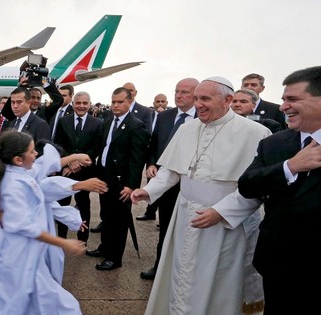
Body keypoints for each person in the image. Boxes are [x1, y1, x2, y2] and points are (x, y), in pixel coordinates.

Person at [130, 77, 271, 314]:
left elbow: (256, 188)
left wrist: (221, 212)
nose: (198, 104)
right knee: (181, 274)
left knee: (218, 282)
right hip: (185, 215)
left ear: (227, 100)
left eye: (205, 98)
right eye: (196, 98)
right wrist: (148, 190)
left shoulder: (255, 132)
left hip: (226, 223)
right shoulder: (187, 128)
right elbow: (172, 170)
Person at [238, 66, 321, 314]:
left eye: (293, 99)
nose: (284, 106)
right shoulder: (273, 143)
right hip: (277, 263)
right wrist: (289, 167)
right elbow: (247, 185)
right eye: (284, 99)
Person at [0, 130, 86, 314]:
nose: (36, 155)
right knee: (59, 306)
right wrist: (63, 242)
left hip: (28, 254)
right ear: (18, 159)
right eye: (33, 151)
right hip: (17, 256)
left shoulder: (20, 172)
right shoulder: (12, 186)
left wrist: (76, 157)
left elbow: (45, 165)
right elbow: (24, 226)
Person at [138, 78, 199, 281]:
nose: (179, 96)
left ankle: (186, 270)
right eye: (177, 91)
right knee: (165, 226)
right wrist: (152, 163)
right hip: (166, 181)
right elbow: (154, 143)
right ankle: (160, 265)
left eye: (185, 92)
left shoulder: (204, 118)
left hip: (193, 184)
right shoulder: (166, 117)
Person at [86, 87, 150, 271]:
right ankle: (104, 247)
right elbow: (101, 146)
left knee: (120, 220)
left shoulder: (136, 125)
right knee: (106, 215)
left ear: (129, 102)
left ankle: (114, 258)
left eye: (120, 102)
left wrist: (131, 186)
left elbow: (138, 159)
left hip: (122, 182)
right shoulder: (107, 121)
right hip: (105, 176)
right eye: (113, 101)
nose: (115, 105)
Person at [53, 91, 104, 242]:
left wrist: (78, 163)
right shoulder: (63, 121)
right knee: (63, 205)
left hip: (85, 171)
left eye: (84, 103)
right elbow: (58, 144)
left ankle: (83, 239)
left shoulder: (97, 123)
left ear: (89, 104)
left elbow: (96, 148)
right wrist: (69, 161)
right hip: (66, 171)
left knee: (83, 205)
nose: (81, 106)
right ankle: (61, 237)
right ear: (73, 104)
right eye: (78, 103)